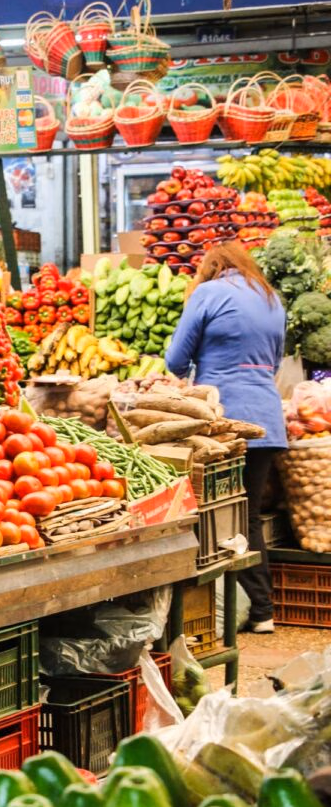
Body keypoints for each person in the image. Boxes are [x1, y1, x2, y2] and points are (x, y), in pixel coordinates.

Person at [165, 241, 287, 634]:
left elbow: (176, 360)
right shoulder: (271, 298)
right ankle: (262, 610)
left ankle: (210, 615)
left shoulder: (208, 292)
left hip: (222, 422)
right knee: (246, 513)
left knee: (209, 514)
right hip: (267, 417)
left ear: (212, 267)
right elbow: (276, 360)